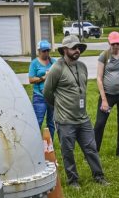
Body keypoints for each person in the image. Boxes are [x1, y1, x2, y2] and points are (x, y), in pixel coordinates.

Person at [43, 35, 108, 189]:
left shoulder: (82, 66)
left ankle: (98, 175)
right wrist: (59, 106)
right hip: (65, 120)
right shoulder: (57, 68)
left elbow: (82, 88)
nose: (77, 50)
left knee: (91, 148)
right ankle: (73, 180)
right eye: (73, 48)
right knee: (68, 151)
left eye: (78, 47)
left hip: (82, 118)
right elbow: (47, 92)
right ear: (65, 50)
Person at [28, 40, 56, 138]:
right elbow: (31, 80)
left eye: (48, 50)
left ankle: (49, 146)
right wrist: (44, 77)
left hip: (52, 97)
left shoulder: (54, 62)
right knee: (38, 122)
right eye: (44, 51)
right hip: (39, 97)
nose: (46, 53)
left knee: (51, 123)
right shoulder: (34, 63)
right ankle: (36, 145)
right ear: (39, 51)